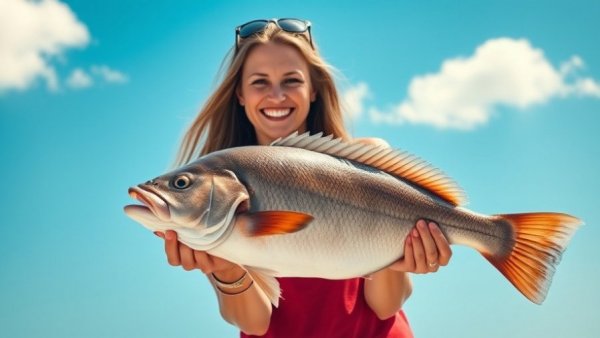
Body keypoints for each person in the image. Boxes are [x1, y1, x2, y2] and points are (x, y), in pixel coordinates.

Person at [154, 18, 452, 338]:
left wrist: (404, 257)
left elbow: (385, 306)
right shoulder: (219, 189)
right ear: (240, 93)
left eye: (291, 80)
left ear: (314, 90)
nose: (277, 95)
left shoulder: (365, 165)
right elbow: (256, 323)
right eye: (259, 82)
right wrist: (225, 269)